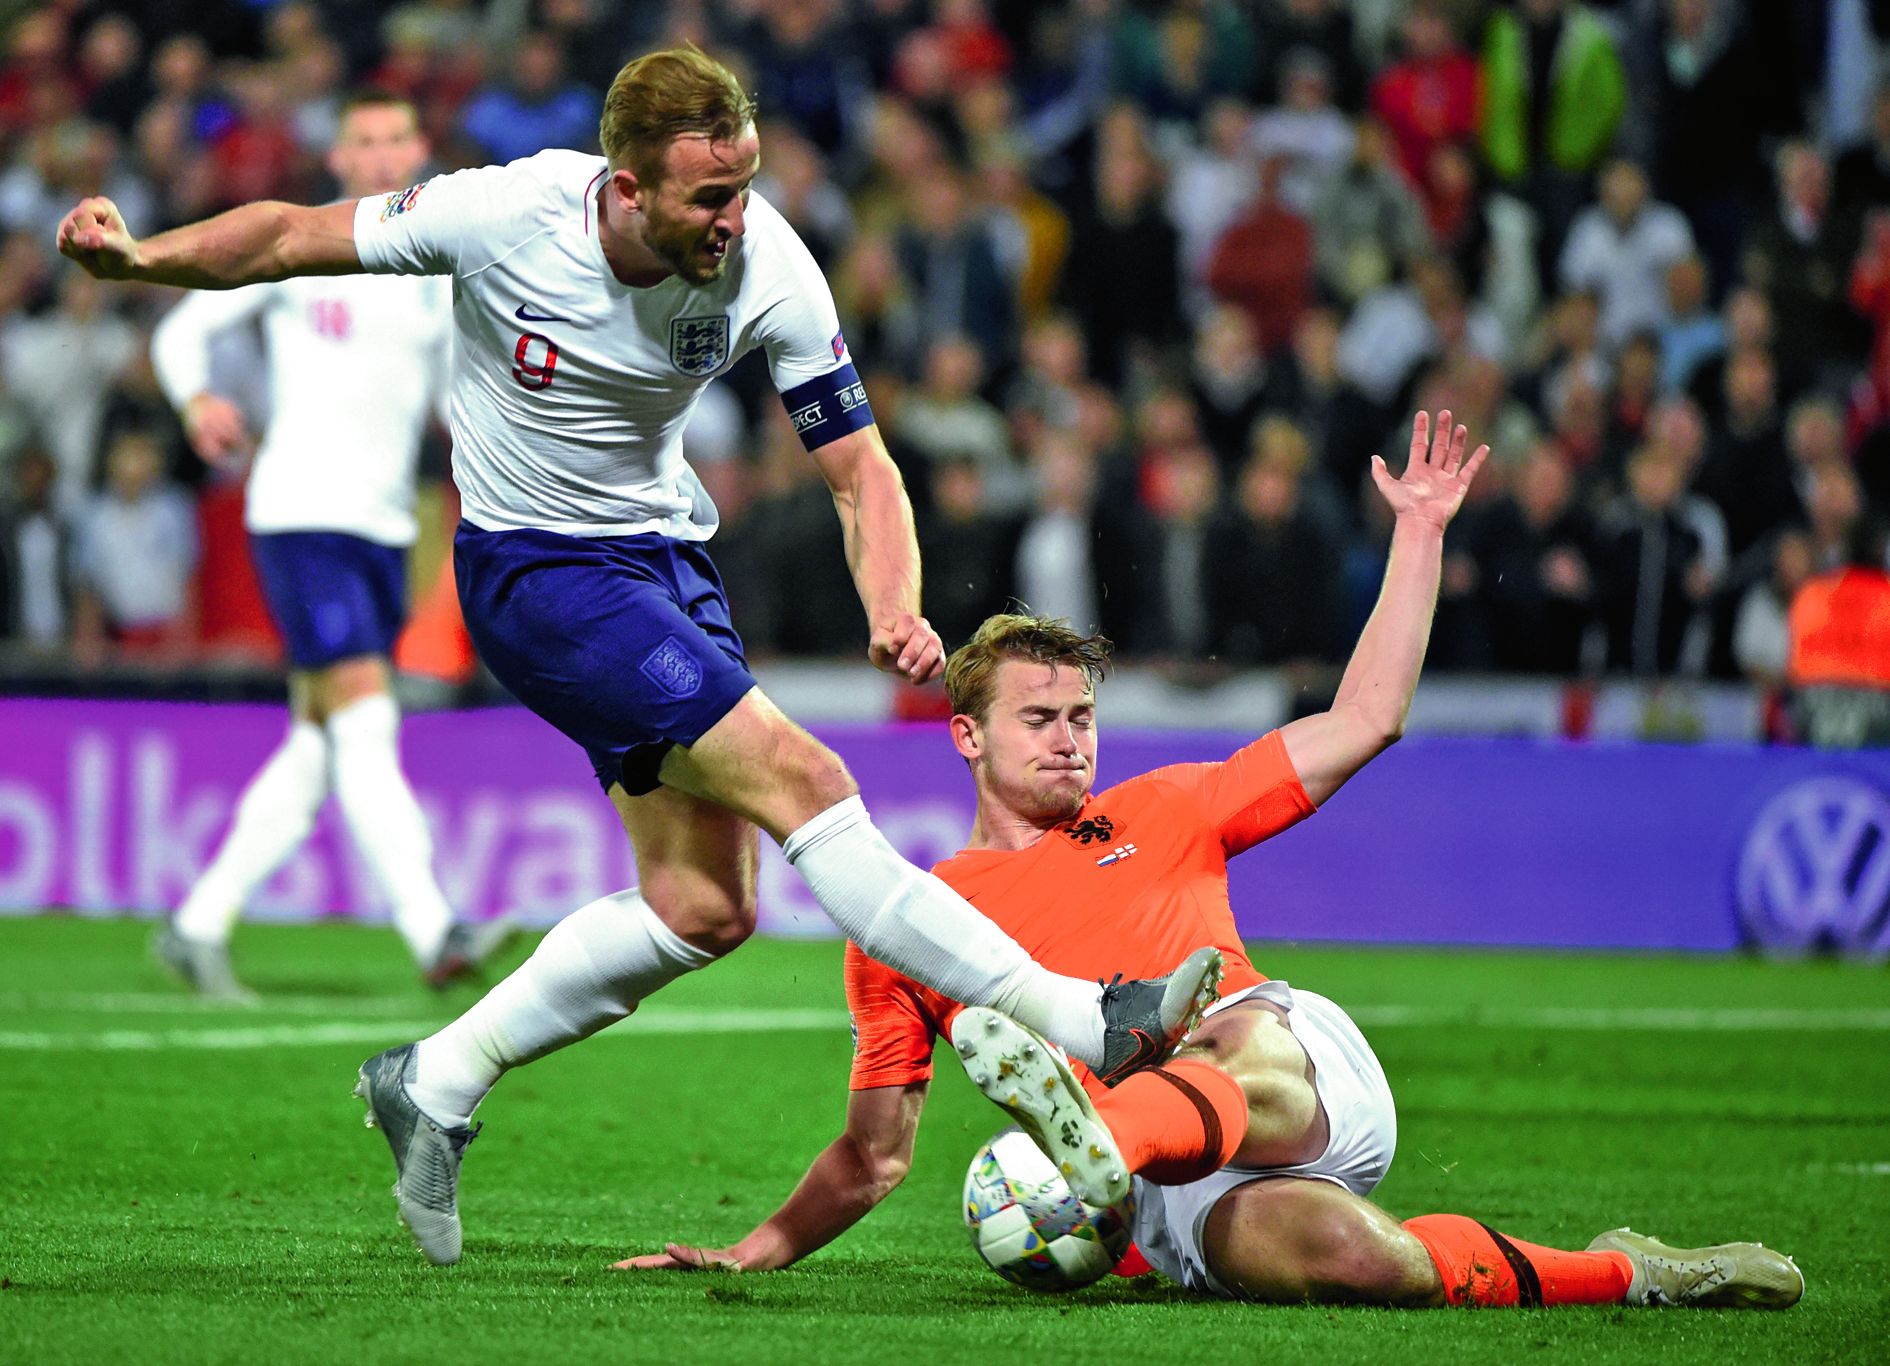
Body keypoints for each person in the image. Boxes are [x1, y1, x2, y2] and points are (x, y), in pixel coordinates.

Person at [56, 45, 1219, 1267]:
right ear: (626, 184)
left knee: (704, 907)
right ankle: (1084, 1019)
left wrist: (896, 598)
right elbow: (288, 237)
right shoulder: (503, 213)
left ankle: (433, 1077)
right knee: (810, 784)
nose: (737, 218)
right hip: (536, 573)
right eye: (709, 197)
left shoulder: (770, 261)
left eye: (746, 185)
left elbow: (860, 467)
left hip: (667, 564)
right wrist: (140, 261)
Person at [625, 412, 1803, 1313]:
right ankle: (1632, 1273)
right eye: (1041, 718)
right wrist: (755, 1248)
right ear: (968, 736)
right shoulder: (911, 921)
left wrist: (1421, 534)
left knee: (1220, 1031)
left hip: (1292, 1074)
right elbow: (875, 1155)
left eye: (1083, 714)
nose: (1072, 736)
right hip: (1180, 1195)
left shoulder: (1171, 805)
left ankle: (1102, 1142)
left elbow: (1364, 717)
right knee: (1352, 1261)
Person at [146, 91, 505, 1002]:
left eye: (397, 139)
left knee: (319, 743)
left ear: (421, 148)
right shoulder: (298, 248)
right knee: (366, 718)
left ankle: (198, 924)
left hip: (386, 530)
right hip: (302, 515)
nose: (383, 156)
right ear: (339, 158)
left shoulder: (431, 272)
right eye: (365, 142)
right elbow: (183, 327)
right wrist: (196, 400)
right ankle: (433, 928)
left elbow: (446, 405)